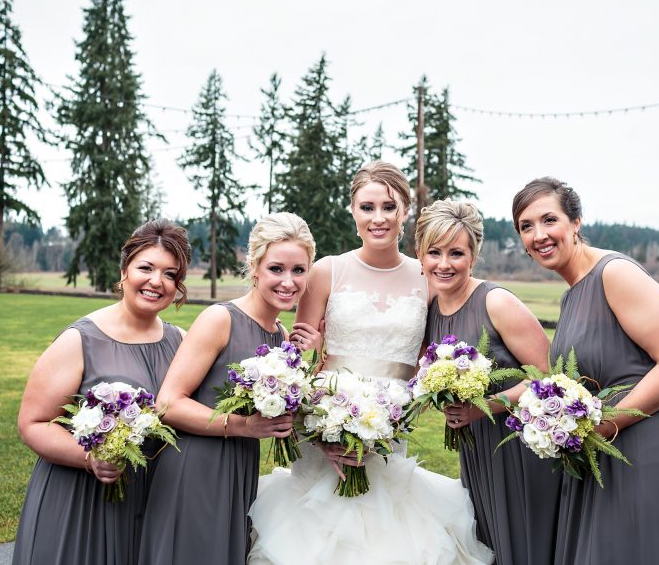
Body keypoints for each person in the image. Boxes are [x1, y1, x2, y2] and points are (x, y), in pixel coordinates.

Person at [248, 162, 492, 565]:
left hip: (390, 433)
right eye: (367, 207)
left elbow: (425, 363)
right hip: (324, 429)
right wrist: (323, 429)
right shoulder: (327, 270)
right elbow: (297, 368)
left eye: (388, 207)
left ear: (405, 212)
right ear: (353, 211)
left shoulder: (427, 277)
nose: (378, 218)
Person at [512, 177, 659, 564]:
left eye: (548, 220)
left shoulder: (614, 274)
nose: (538, 235)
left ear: (576, 222)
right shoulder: (573, 292)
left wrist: (603, 424)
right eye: (526, 226)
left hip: (646, 444)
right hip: (603, 449)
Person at [139, 213, 320, 565]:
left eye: (299, 270)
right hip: (196, 468)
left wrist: (310, 358)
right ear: (254, 267)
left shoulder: (281, 337)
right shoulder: (220, 319)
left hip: (241, 469)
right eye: (276, 269)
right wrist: (244, 427)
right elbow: (168, 404)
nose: (288, 281)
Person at [12, 219, 191, 565]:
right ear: (124, 269)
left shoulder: (181, 341)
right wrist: (90, 458)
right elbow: (32, 423)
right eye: (146, 267)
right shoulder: (81, 340)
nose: (157, 281)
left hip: (154, 502)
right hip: (84, 500)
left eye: (170, 274)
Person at [418, 199, 560, 564]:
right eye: (434, 252)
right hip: (476, 449)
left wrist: (485, 408)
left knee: (524, 544)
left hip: (516, 446)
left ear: (474, 254)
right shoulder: (431, 308)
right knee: (487, 541)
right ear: (420, 254)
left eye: (456, 253)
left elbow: (549, 375)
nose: (444, 264)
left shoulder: (495, 302)